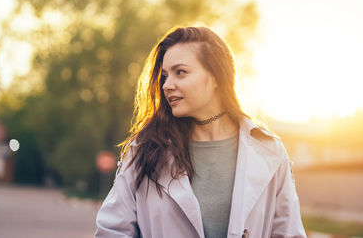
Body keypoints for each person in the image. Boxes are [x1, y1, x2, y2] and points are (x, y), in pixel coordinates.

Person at [95, 26, 306, 238]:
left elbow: (289, 233)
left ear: (216, 77)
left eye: (180, 73)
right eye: (165, 76)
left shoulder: (269, 152)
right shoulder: (144, 150)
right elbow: (112, 232)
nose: (167, 85)